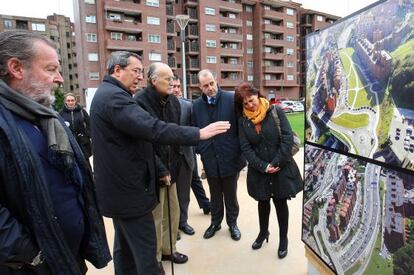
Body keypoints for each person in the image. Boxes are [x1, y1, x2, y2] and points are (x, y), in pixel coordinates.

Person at [90, 51, 230, 275]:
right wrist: (199, 134)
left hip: (125, 190)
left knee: (125, 251)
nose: (139, 76)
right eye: (136, 71)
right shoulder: (116, 99)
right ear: (117, 70)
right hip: (131, 192)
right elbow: (152, 129)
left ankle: (168, 249)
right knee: (147, 256)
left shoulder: (112, 94)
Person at [0, 30, 111, 274]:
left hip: (69, 257)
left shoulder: (46, 115)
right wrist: (33, 255)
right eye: (51, 69)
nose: (59, 79)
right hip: (32, 266)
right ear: (17, 68)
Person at [234, 82, 303, 258]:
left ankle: (283, 239)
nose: (250, 105)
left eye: (251, 100)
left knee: (280, 203)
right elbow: (245, 147)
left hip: (280, 166)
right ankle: (263, 232)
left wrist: (276, 162)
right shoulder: (243, 121)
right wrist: (263, 166)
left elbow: (287, 138)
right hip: (259, 170)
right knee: (262, 203)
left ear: (258, 95)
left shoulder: (275, 112)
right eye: (245, 103)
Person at [134, 63, 188, 269]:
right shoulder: (139, 102)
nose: (173, 82)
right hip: (152, 172)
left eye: (173, 78)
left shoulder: (174, 102)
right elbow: (143, 142)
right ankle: (155, 259)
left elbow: (173, 133)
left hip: (173, 168)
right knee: (156, 218)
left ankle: (169, 249)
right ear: (153, 80)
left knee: (173, 213)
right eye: (168, 78)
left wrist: (174, 165)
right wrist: (160, 170)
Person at [192, 69, 246, 241]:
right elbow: (196, 131)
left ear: (216, 81)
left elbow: (242, 128)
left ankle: (232, 224)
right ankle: (215, 223)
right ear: (200, 87)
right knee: (215, 195)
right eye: (205, 85)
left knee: (231, 194)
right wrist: (202, 149)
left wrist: (237, 150)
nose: (210, 88)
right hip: (210, 159)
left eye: (211, 83)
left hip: (230, 157)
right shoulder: (197, 106)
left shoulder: (231, 99)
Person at [59, 93, 92, 163]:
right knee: (72, 163)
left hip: (82, 142)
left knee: (85, 163)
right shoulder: (61, 113)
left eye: (72, 100)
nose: (70, 102)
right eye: (68, 101)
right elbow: (59, 128)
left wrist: (86, 135)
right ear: (65, 101)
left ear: (75, 101)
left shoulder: (81, 111)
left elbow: (90, 124)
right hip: (69, 142)